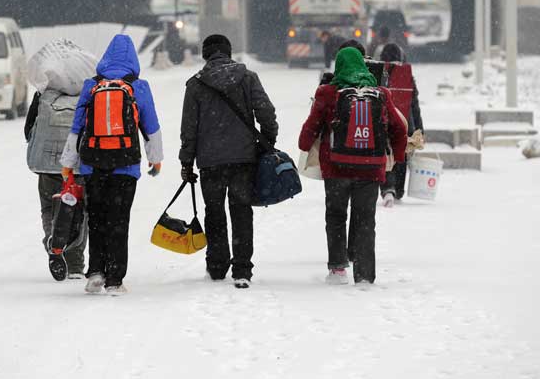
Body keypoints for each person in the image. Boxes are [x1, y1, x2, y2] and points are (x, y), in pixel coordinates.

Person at [60, 34, 163, 295]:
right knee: (119, 221)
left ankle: (95, 272)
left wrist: (68, 163)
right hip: (125, 166)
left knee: (96, 219)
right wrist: (155, 159)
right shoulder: (138, 86)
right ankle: (115, 279)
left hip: (93, 165)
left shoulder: (90, 85)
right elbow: (151, 127)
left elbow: (76, 128)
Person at [298, 47, 407, 285]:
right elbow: (400, 127)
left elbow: (310, 129)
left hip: (336, 168)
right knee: (366, 219)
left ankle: (338, 269)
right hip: (371, 168)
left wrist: (305, 145)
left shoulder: (328, 92)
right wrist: (396, 158)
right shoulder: (381, 93)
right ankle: (365, 274)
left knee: (336, 215)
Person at [179, 34, 278, 289]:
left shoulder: (196, 85)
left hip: (210, 161)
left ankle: (217, 265)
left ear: (205, 55)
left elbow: (189, 129)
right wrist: (266, 143)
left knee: (214, 212)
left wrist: (186, 162)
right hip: (244, 158)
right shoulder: (247, 78)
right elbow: (266, 112)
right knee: (242, 211)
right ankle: (242, 268)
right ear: (228, 52)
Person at [25, 88, 88, 281]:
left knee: (48, 208)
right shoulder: (88, 93)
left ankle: (53, 242)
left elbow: (29, 130)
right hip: (77, 163)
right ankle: (75, 262)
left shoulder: (43, 94)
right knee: (79, 209)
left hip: (47, 164)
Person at [378, 43, 424, 205]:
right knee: (401, 154)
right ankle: (398, 188)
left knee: (387, 154)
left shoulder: (379, 73)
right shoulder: (407, 76)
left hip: (385, 122)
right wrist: (419, 128)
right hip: (405, 122)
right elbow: (414, 105)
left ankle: (387, 188)